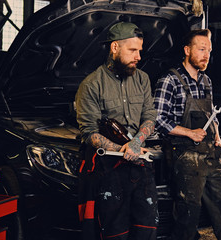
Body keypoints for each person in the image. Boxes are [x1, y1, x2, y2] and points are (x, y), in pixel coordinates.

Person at [153, 29, 221, 240]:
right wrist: (189, 133)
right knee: (188, 213)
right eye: (201, 49)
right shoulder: (169, 80)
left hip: (210, 152)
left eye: (209, 51)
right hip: (185, 154)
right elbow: (157, 119)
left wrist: (217, 135)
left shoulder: (206, 81)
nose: (206, 55)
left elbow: (212, 114)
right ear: (186, 50)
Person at [75, 22, 158, 240]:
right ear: (114, 48)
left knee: (146, 229)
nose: (138, 56)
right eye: (132, 50)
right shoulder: (91, 85)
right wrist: (122, 150)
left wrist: (136, 143)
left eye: (140, 50)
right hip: (109, 171)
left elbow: (150, 116)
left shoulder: (143, 79)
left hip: (141, 167)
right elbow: (89, 132)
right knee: (115, 233)